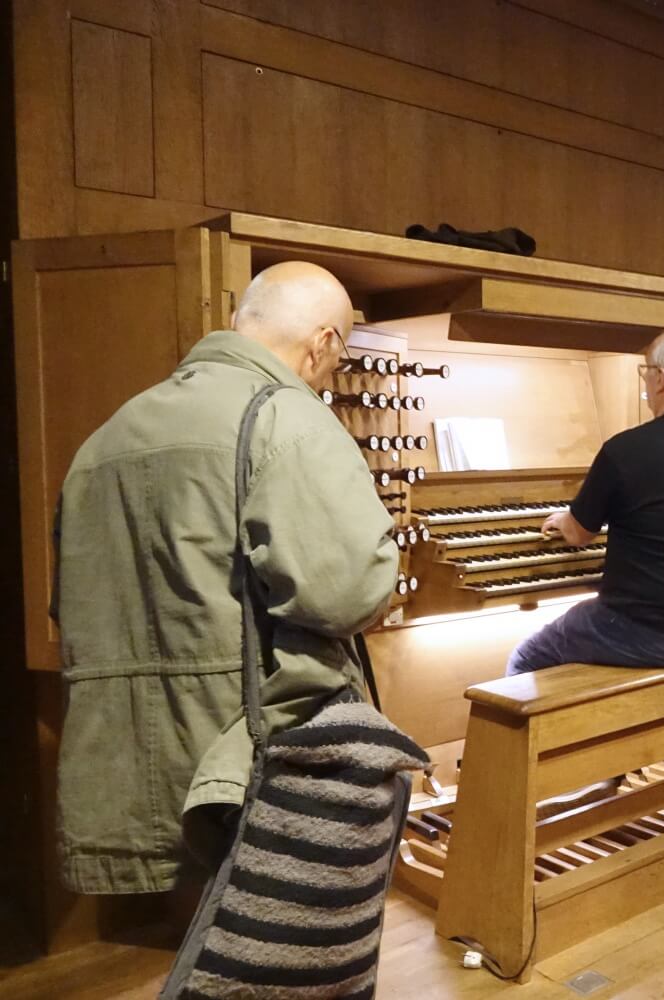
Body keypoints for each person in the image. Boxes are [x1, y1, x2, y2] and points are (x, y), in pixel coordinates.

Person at [53, 262, 399, 894]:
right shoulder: (288, 419)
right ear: (324, 342)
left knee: (203, 931)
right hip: (246, 751)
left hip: (127, 756)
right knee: (275, 948)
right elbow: (345, 593)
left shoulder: (111, 432)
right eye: (339, 354)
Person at [506, 329, 664, 676]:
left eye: (646, 372)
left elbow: (580, 534)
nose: (645, 383)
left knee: (526, 659)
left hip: (642, 631)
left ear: (661, 379)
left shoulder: (624, 450)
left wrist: (563, 520)